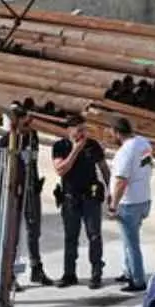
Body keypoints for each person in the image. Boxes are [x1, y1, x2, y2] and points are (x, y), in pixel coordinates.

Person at [51, 114, 111, 289]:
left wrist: (110, 192)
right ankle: (69, 274)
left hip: (90, 197)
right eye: (79, 130)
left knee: (94, 235)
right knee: (71, 237)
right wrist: (76, 150)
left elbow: (104, 169)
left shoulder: (93, 145)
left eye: (84, 130)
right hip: (70, 198)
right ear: (69, 131)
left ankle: (96, 273)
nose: (83, 134)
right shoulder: (60, 146)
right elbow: (60, 170)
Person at [108, 117, 154, 293]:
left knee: (132, 242)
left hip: (129, 203)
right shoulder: (144, 143)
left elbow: (121, 181)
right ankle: (128, 271)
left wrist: (113, 204)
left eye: (111, 132)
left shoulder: (125, 152)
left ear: (117, 133)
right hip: (144, 199)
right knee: (128, 240)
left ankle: (137, 280)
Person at [10, 106, 51, 286]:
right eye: (25, 122)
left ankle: (36, 268)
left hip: (32, 187)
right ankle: (10, 273)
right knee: (13, 233)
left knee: (34, 230)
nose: (29, 126)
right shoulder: (8, 140)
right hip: (16, 191)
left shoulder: (32, 136)